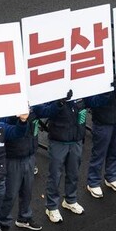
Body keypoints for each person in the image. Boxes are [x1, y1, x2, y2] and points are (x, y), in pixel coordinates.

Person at [0, 102, 53, 231]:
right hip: (13, 158)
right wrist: (16, 117)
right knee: (10, 194)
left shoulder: (32, 104)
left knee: (27, 190)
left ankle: (24, 218)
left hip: (29, 154)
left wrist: (59, 103)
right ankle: (3, 225)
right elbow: (4, 126)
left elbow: (46, 110)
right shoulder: (3, 105)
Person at [43, 92, 96, 223]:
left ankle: (70, 200)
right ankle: (51, 207)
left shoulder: (80, 90)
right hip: (58, 141)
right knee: (55, 175)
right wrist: (59, 103)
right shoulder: (52, 90)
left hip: (76, 139)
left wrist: (109, 88)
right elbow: (44, 111)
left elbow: (94, 102)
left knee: (74, 173)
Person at [86, 84, 116, 198]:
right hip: (103, 119)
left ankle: (112, 176)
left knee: (115, 149)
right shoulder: (98, 72)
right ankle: (93, 182)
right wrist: (107, 92)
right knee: (99, 152)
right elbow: (91, 101)